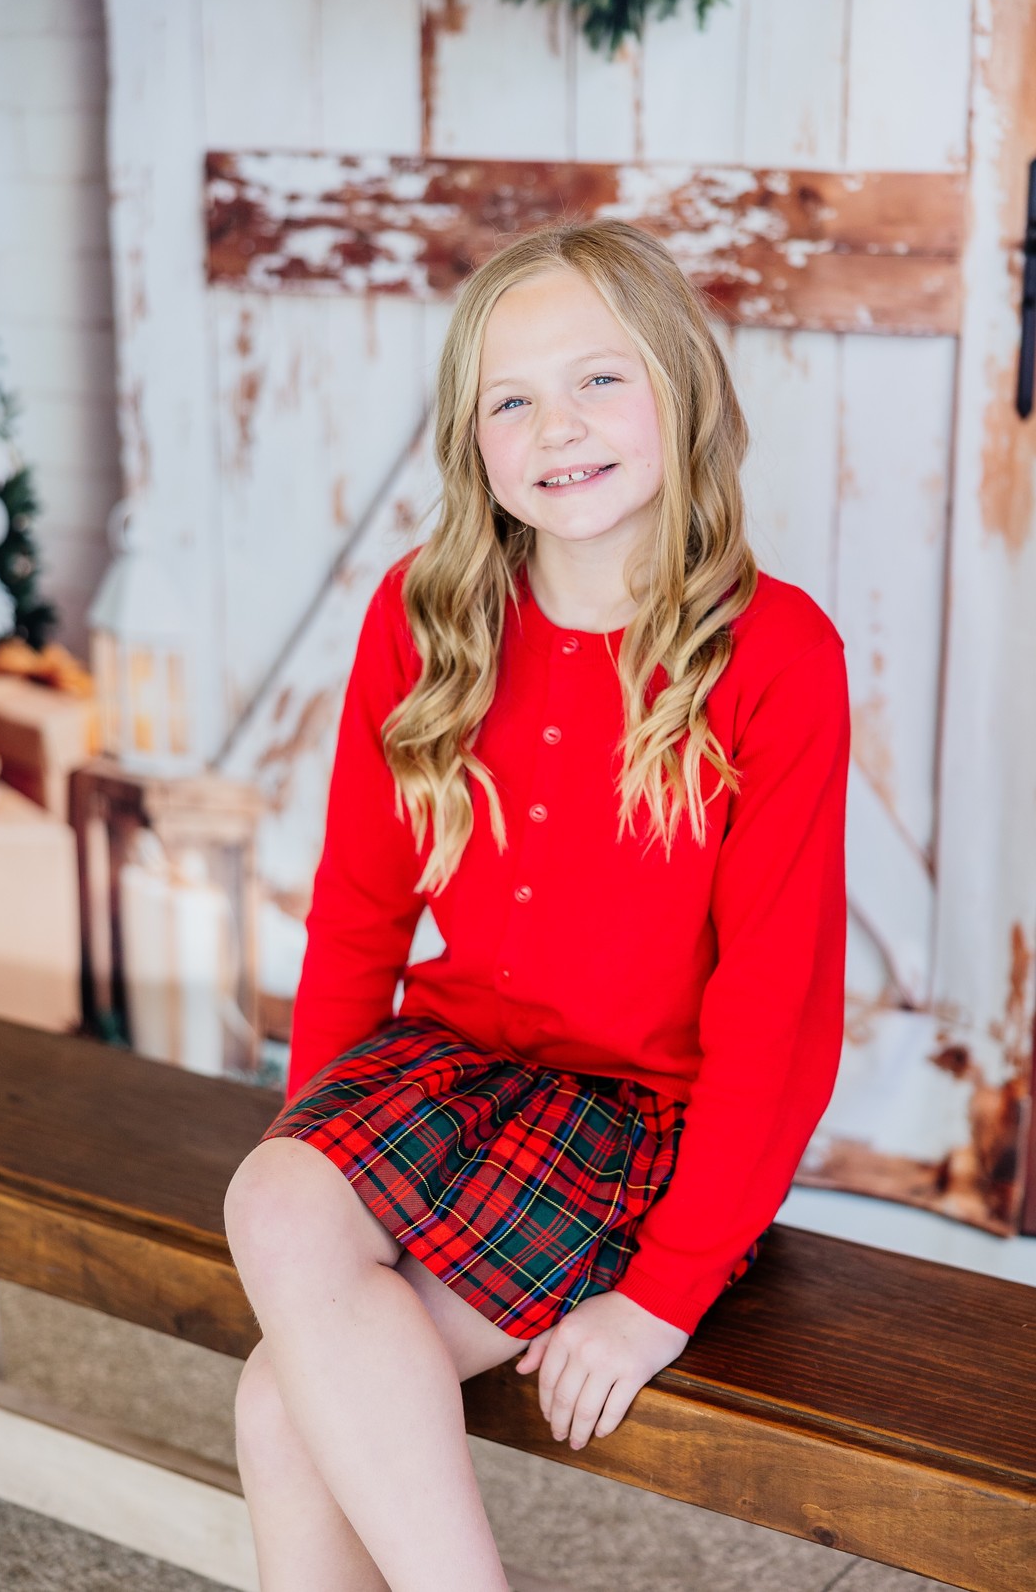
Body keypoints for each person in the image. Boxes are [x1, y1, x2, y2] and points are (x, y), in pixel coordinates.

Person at [223, 217, 850, 1592]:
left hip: (639, 1122)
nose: (555, 426)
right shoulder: (427, 615)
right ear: (474, 444)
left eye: (597, 380)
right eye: (509, 400)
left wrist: (660, 1299)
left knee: (282, 1399)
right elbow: (358, 913)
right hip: (449, 1073)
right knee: (274, 1199)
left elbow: (780, 1010)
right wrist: (329, 1170)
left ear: (682, 389)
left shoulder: (773, 654)